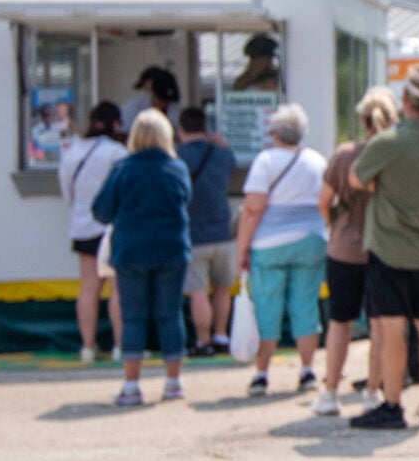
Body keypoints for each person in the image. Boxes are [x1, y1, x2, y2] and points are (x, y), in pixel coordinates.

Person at [348, 65, 419, 430]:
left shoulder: (388, 143)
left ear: (406, 99)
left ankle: (392, 404)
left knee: (392, 328)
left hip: (391, 248)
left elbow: (355, 179)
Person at [90, 108, 192, 406]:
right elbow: (187, 200)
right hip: (172, 249)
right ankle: (173, 383)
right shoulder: (177, 168)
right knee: (170, 314)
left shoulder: (123, 169)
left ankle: (132, 386)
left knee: (133, 317)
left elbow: (101, 211)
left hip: (131, 251)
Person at [232, 103, 327, 397]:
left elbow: (252, 209)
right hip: (311, 240)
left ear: (273, 133)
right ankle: (308, 370)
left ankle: (262, 374)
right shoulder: (316, 160)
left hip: (269, 245)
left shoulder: (265, 162)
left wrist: (242, 249)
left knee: (267, 308)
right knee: (305, 305)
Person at [314, 86, 396, 417]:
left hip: (344, 248)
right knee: (378, 324)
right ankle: (372, 392)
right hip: (382, 248)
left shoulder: (344, 154)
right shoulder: (393, 155)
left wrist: (337, 228)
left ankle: (330, 391)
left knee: (340, 321)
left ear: (361, 120)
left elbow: (324, 202)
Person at [60, 101, 128, 364]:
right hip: (113, 226)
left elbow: (68, 191)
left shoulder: (72, 151)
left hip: (82, 225)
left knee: (88, 287)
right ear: (115, 123)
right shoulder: (116, 152)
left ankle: (88, 346)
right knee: (118, 288)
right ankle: (121, 346)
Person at [176, 106, 239, 356]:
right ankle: (221, 335)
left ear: (181, 130)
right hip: (223, 232)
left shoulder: (177, 157)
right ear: (205, 128)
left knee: (198, 291)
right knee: (223, 288)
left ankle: (203, 341)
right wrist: (221, 143)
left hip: (194, 234)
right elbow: (233, 163)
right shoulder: (222, 155)